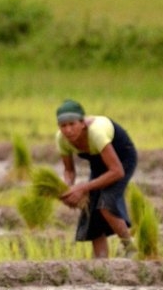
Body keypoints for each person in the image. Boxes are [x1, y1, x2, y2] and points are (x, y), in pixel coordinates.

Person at [54, 99, 138, 259]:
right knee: (91, 210)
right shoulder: (61, 140)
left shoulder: (96, 133)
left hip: (122, 160)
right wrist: (67, 188)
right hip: (99, 163)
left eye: (72, 124)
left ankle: (131, 248)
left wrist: (82, 188)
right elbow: (69, 171)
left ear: (82, 123)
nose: (68, 130)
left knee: (106, 204)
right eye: (63, 126)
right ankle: (100, 261)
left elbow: (117, 171)